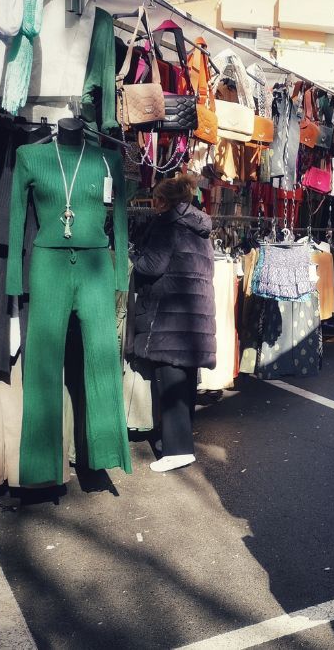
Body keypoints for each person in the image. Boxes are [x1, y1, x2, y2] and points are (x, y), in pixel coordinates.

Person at [129, 174, 218, 473]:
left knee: (170, 382)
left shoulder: (167, 225)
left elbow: (152, 265)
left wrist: (133, 258)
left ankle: (178, 450)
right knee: (185, 382)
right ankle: (182, 444)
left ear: (165, 201)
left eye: (156, 199)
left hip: (170, 316)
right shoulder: (200, 227)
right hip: (194, 316)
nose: (153, 204)